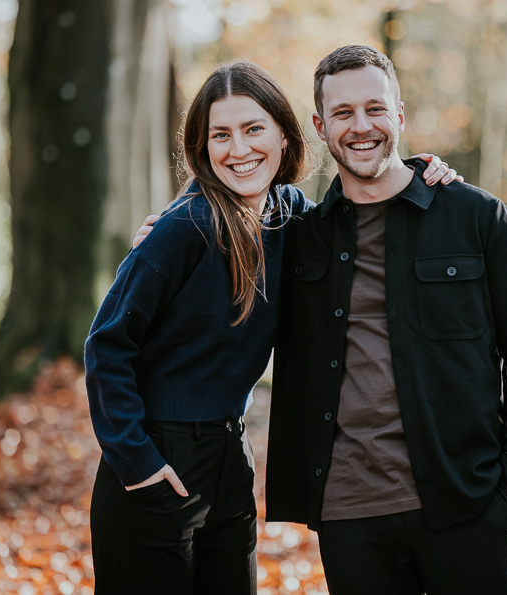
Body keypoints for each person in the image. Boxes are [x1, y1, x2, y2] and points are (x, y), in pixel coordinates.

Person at [88, 59, 459, 595]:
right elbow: (106, 345)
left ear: (285, 135)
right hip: (156, 456)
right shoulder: (185, 227)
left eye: (253, 129)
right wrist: (137, 462)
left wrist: (421, 170)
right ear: (203, 147)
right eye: (221, 134)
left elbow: (362, 210)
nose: (239, 149)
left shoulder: (292, 217)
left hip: (229, 458)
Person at [264, 45, 507, 595]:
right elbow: (222, 229)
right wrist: (162, 231)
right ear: (320, 127)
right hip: (351, 516)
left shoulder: (477, 218)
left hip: (468, 503)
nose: (361, 126)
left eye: (375, 109)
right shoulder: (298, 238)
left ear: (399, 115)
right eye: (343, 113)